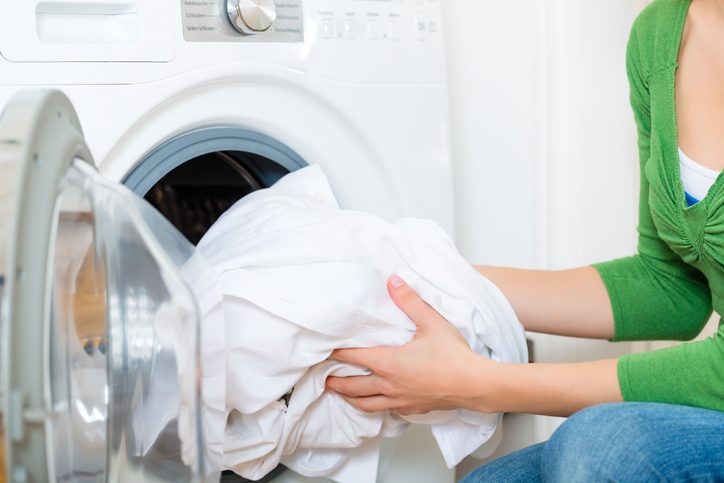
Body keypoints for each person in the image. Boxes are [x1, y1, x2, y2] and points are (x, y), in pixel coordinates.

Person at [325, 0, 724, 480]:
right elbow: (671, 289)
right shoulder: (661, 33)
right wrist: (425, 277)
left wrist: (480, 385)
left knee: (604, 444)